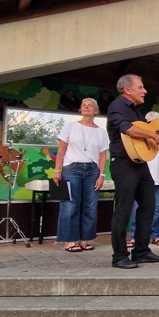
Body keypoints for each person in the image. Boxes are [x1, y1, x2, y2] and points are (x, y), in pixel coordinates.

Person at [106, 75, 159, 269]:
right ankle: (119, 256)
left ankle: (141, 251)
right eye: (141, 87)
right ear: (127, 90)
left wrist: (158, 140)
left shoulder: (137, 112)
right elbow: (127, 129)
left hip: (140, 164)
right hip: (123, 164)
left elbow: (142, 141)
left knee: (149, 205)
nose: (145, 91)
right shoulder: (117, 106)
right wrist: (152, 135)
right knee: (123, 209)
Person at [53, 97, 110, 253]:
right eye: (84, 105)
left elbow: (103, 155)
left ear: (95, 111)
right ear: (80, 109)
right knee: (70, 204)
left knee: (90, 206)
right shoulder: (70, 126)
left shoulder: (101, 132)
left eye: (90, 105)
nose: (86, 107)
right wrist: (57, 171)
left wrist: (102, 175)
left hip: (92, 170)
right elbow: (61, 150)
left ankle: (85, 239)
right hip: (72, 168)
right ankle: (70, 240)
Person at [127, 111, 159, 247]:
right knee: (137, 208)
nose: (149, 124)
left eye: (153, 122)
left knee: (157, 209)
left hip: (158, 180)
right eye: (148, 122)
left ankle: (156, 235)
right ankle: (134, 237)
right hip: (141, 179)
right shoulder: (140, 137)